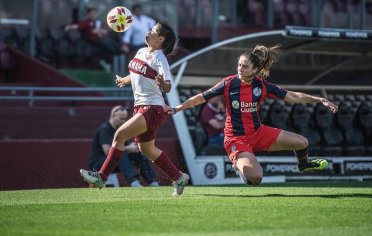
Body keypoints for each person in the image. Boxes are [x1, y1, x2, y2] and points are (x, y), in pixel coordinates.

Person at [165, 45, 338, 186]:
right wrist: (177, 108)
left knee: (302, 142)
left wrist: (319, 99)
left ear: (255, 69)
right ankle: (238, 165)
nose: (240, 69)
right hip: (236, 139)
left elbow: (293, 96)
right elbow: (199, 99)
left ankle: (303, 165)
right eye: (239, 65)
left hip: (258, 133)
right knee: (255, 178)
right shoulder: (228, 83)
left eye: (245, 66)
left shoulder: (262, 86)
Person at [80, 22, 189, 196]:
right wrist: (124, 80)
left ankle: (101, 177)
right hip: (141, 107)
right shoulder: (141, 52)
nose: (149, 32)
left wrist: (162, 84)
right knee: (147, 149)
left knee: (120, 135)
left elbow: (168, 86)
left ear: (160, 39)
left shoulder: (160, 59)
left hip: (153, 108)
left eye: (153, 31)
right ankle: (179, 177)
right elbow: (137, 73)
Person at [88, 105, 158, 187]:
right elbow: (107, 151)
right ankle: (133, 182)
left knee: (138, 154)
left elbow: (126, 147)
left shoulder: (121, 130)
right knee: (119, 154)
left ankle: (152, 182)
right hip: (99, 163)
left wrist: (136, 149)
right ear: (113, 116)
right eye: (121, 118)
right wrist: (128, 148)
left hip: (113, 162)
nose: (124, 121)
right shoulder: (104, 129)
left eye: (125, 118)